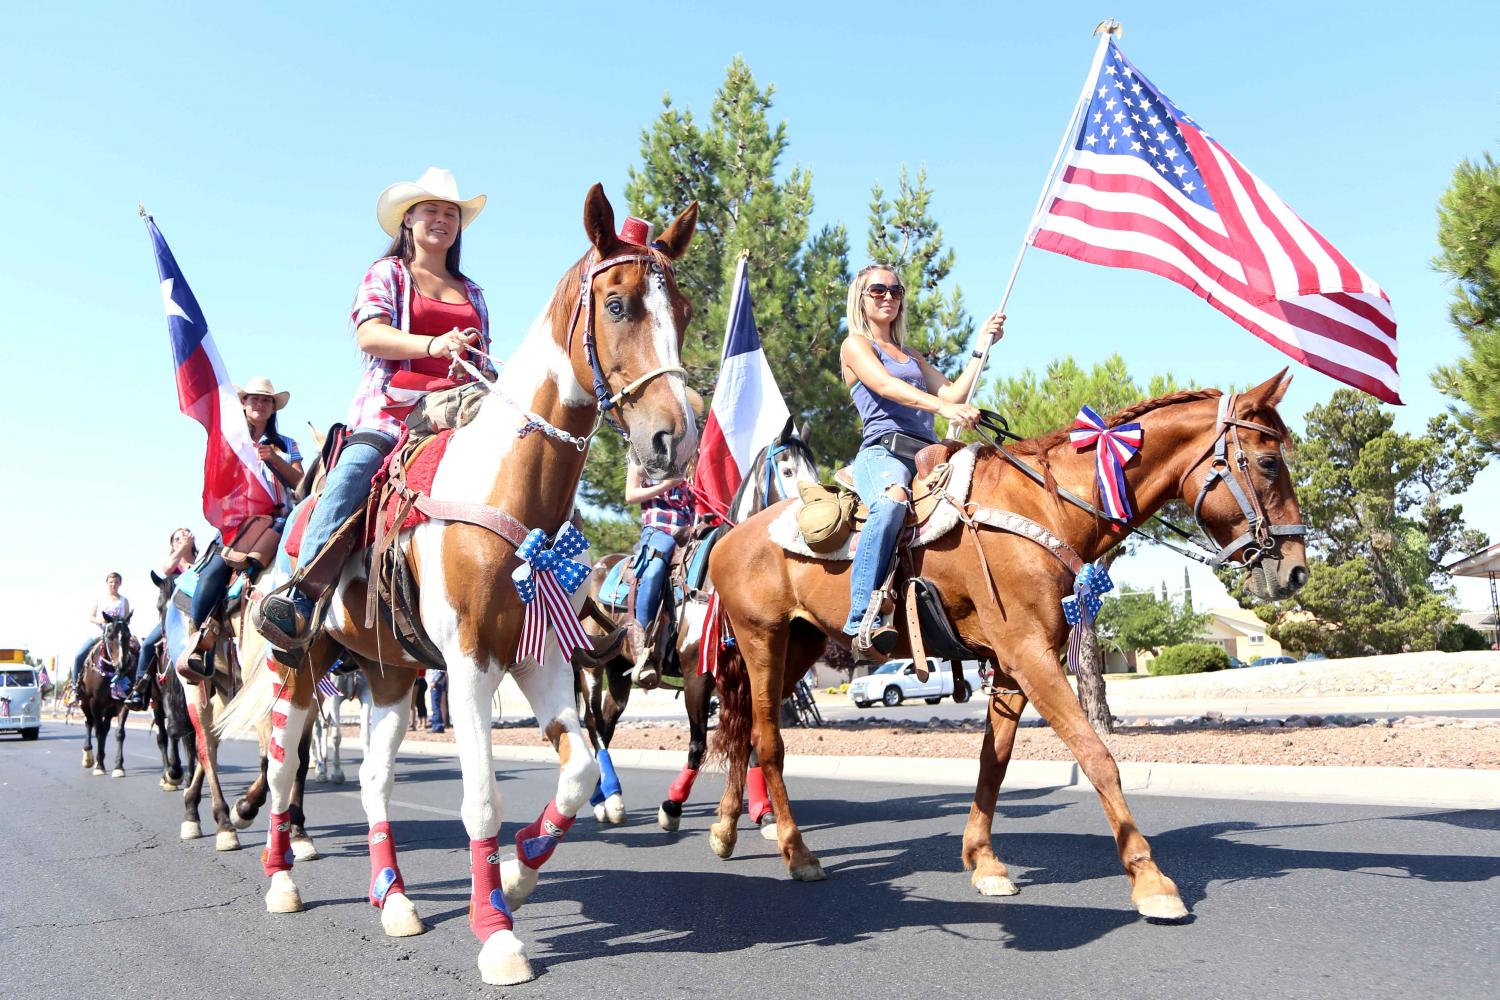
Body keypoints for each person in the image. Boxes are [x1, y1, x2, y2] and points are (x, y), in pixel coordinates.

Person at [257, 167, 489, 651]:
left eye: (451, 213)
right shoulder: (388, 274)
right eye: (431, 211)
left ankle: (533, 598)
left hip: (462, 413)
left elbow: (482, 356)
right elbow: (370, 334)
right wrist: (435, 344)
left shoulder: (475, 293)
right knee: (355, 471)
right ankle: (301, 595)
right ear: (408, 220)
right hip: (392, 413)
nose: (442, 220)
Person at [837, 264, 1003, 658]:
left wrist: (982, 346)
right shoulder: (856, 345)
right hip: (884, 452)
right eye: (878, 290)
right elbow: (885, 386)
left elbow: (954, 393)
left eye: (896, 291)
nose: (888, 297)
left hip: (928, 456)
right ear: (861, 297)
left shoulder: (909, 355)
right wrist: (944, 409)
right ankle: (861, 615)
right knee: (892, 500)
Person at [181, 378, 303, 678]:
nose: (260, 404)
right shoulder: (231, 440)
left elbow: (301, 485)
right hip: (241, 524)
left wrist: (274, 459)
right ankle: (201, 640)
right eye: (254, 399)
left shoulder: (288, 444)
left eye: (267, 400)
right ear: (244, 403)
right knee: (215, 572)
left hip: (281, 521)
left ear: (274, 407)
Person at [623, 456, 695, 688]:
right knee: (653, 571)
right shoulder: (641, 458)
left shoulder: (689, 461)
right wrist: (668, 485)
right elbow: (630, 495)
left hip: (691, 531)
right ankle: (643, 647)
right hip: (659, 530)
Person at [127, 528, 197, 707]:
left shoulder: (200, 561)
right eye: (177, 538)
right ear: (172, 545)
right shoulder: (171, 563)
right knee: (149, 643)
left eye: (186, 535)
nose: (182, 539)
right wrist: (182, 548)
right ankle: (139, 688)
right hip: (173, 620)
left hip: (198, 616)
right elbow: (166, 570)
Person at [71, 572, 131, 687]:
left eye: (116, 582)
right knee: (79, 655)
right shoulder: (100, 599)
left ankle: (135, 686)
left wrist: (120, 623)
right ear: (107, 583)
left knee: (135, 653)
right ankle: (76, 685)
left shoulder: (124, 601)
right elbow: (91, 617)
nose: (113, 584)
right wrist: (100, 621)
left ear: (120, 584)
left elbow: (127, 619)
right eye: (111, 582)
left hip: (118, 636)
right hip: (99, 634)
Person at [427, 668, 447, 733]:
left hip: (436, 685)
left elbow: (442, 673)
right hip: (436, 685)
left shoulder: (437, 664)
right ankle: (437, 725)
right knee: (435, 706)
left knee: (436, 707)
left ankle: (437, 726)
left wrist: (435, 682)